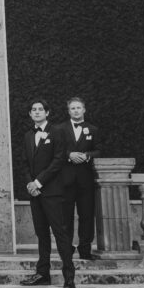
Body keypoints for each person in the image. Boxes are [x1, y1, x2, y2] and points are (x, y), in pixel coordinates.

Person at [18, 99, 75, 288]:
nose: (37, 112)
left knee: (60, 234)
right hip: (35, 193)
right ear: (30, 114)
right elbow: (25, 163)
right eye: (33, 110)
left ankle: (69, 277)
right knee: (41, 234)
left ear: (47, 112)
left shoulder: (57, 132)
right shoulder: (28, 135)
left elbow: (58, 161)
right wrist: (30, 184)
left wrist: (38, 182)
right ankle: (43, 274)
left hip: (53, 192)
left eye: (40, 109)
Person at [54, 96, 104, 260]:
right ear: (69, 111)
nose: (76, 111)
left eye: (78, 108)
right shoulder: (59, 129)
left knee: (87, 215)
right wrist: (69, 155)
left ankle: (85, 250)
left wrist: (87, 155)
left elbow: (99, 150)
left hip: (85, 179)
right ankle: (66, 250)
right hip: (65, 180)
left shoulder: (93, 129)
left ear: (84, 110)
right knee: (65, 217)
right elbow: (55, 151)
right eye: (72, 108)